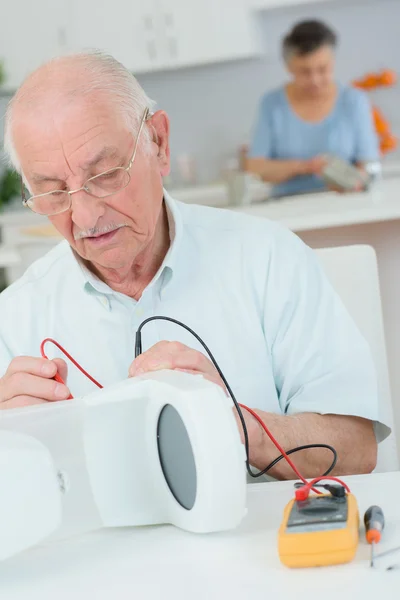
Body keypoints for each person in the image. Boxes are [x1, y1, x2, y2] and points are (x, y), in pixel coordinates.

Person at [0, 52, 388, 480]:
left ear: (159, 143)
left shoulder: (268, 258)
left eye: (106, 174)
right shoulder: (16, 319)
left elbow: (356, 448)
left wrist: (235, 423)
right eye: (53, 192)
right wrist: (11, 449)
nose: (86, 217)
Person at [247, 20, 380, 197]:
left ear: (333, 61)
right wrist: (306, 167)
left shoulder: (354, 101)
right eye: (304, 72)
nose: (315, 80)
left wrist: (356, 180)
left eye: (323, 69)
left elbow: (369, 164)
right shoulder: (271, 104)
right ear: (288, 67)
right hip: (287, 207)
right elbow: (256, 168)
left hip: (346, 203)